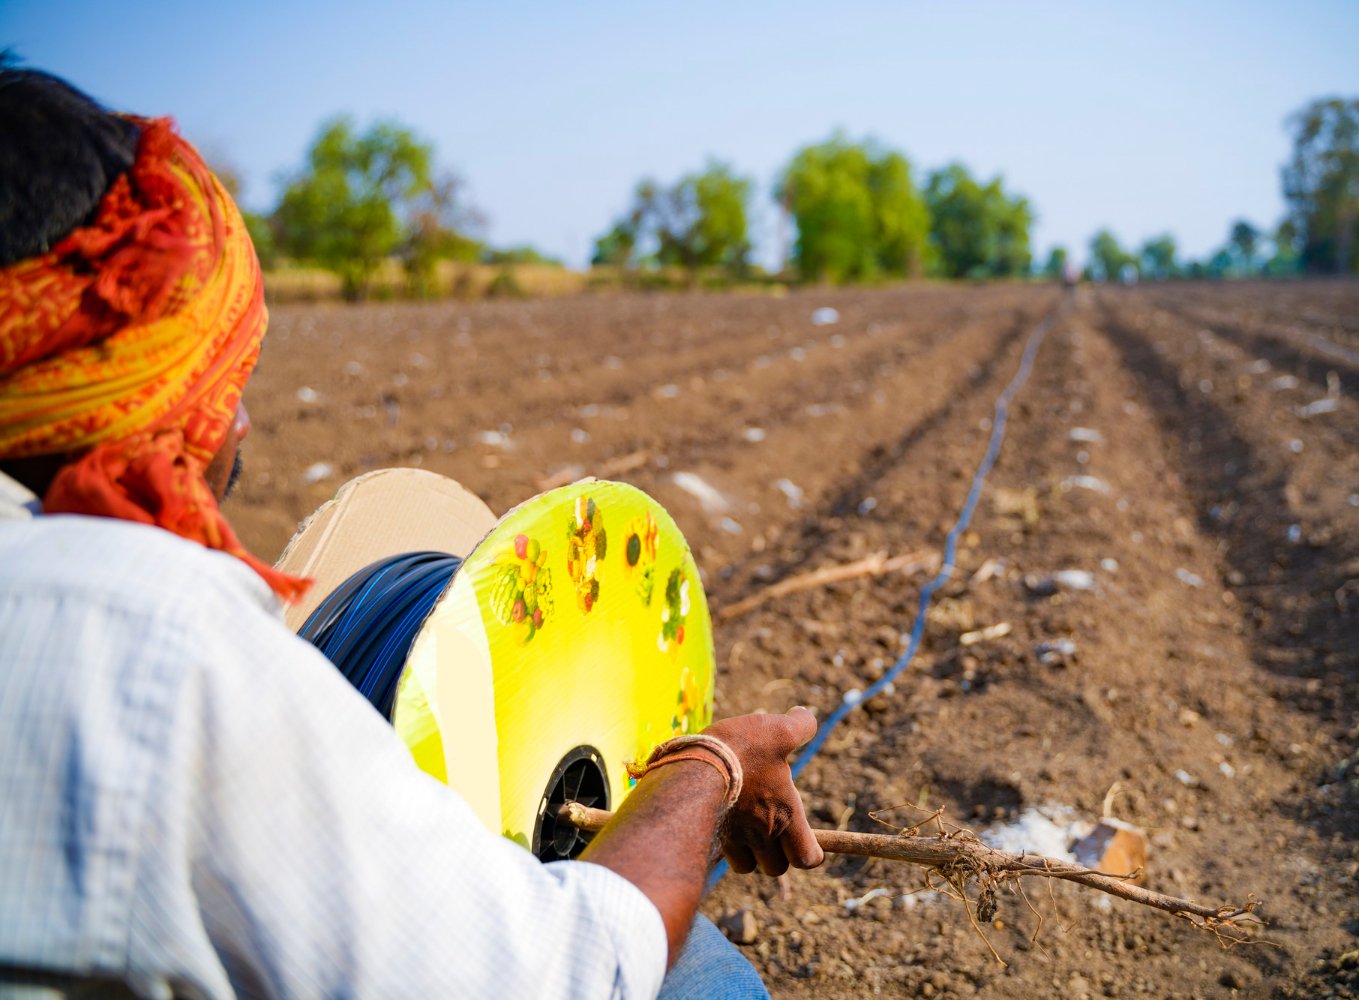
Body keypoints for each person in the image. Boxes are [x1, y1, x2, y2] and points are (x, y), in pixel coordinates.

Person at [0, 66, 822, 998]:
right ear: (135, 389)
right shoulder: (156, 648)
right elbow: (561, 973)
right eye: (226, 382)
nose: (243, 427)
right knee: (705, 980)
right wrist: (707, 769)